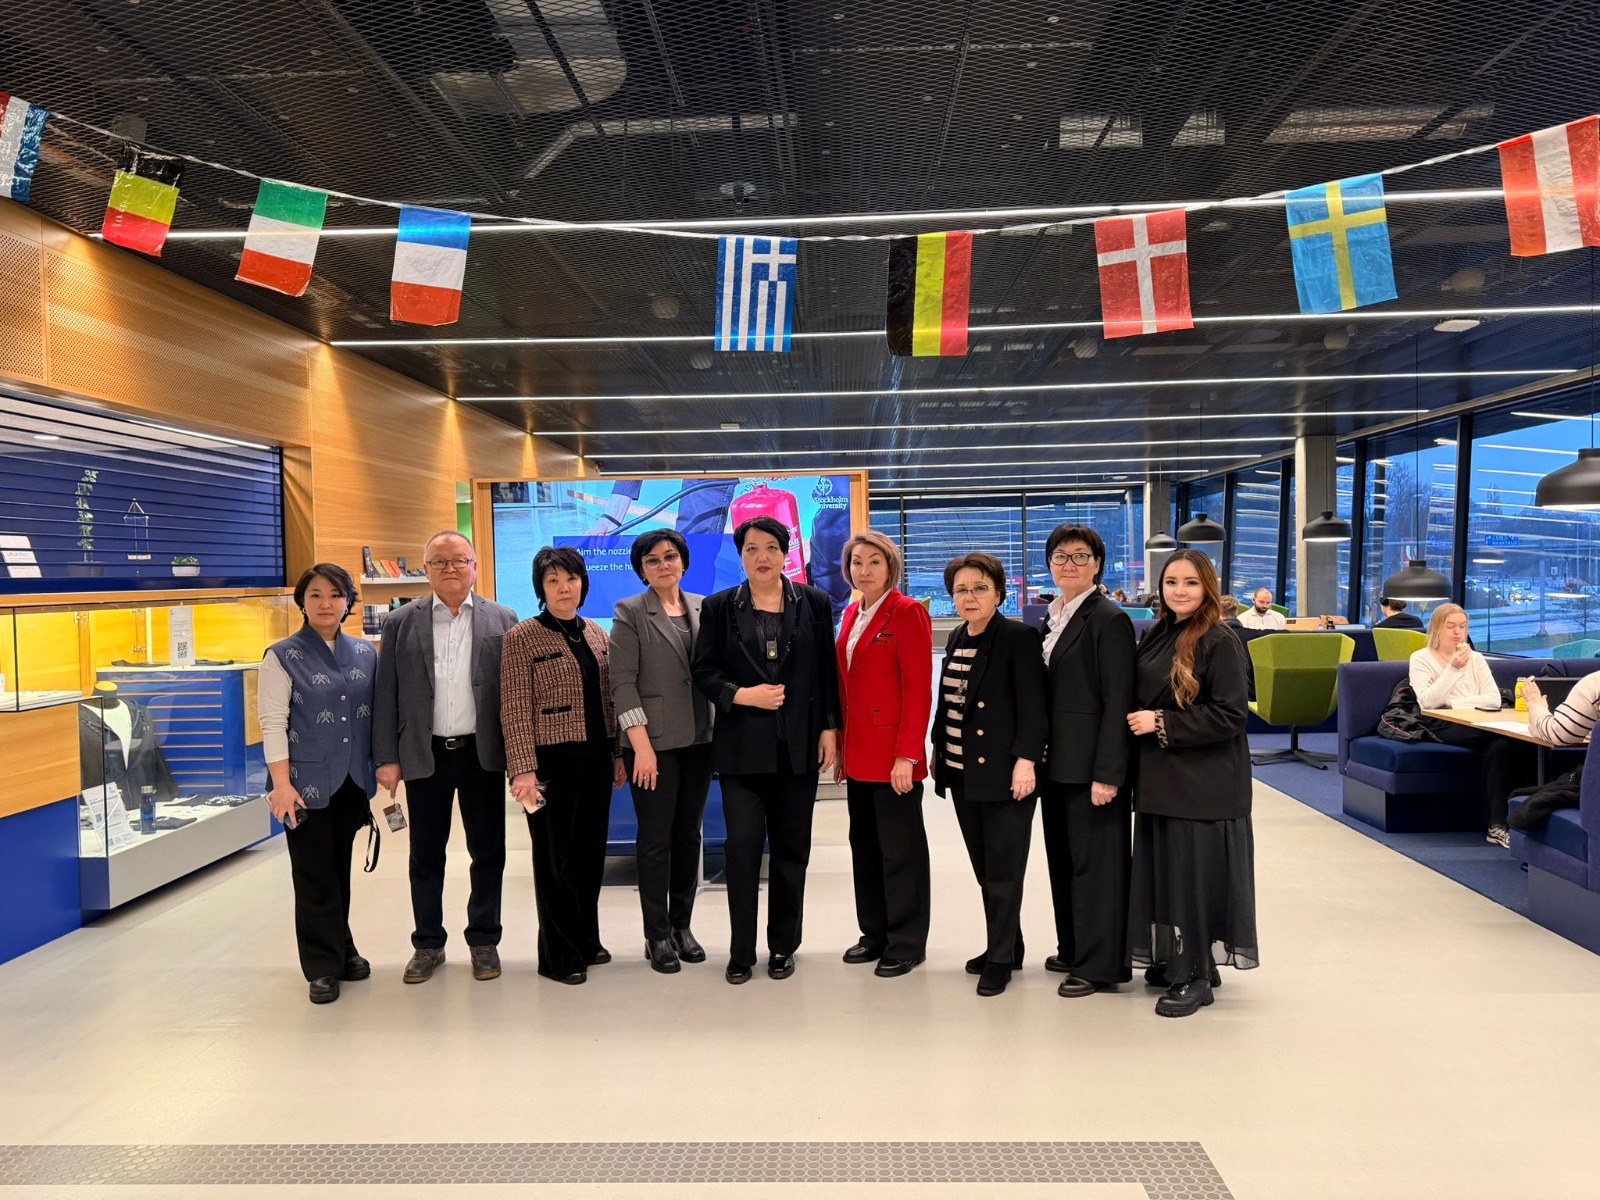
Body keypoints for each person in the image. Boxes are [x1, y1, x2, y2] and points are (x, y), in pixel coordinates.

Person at [691, 516, 841, 985]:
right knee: (742, 849)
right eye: (752, 548)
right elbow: (704, 670)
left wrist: (830, 727)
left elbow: (826, 671)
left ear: (785, 553)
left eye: (771, 548)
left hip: (798, 746)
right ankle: (741, 952)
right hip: (742, 750)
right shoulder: (719, 606)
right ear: (740, 556)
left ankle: (783, 947)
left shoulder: (814, 602)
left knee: (792, 850)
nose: (762, 557)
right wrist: (741, 695)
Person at [372, 532, 518, 986]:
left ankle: (484, 940)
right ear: (427, 569)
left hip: (482, 753)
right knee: (425, 855)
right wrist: (387, 758)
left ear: (474, 566)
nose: (450, 568)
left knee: (488, 852)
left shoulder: (503, 618)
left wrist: (520, 758)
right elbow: (386, 694)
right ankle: (428, 943)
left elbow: (514, 694)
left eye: (459, 560)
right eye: (439, 561)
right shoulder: (400, 622)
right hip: (425, 753)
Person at [1126, 549, 1258, 1018]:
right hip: (1165, 778)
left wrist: (1161, 722)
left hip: (1204, 783)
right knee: (1171, 876)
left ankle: (1197, 976)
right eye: (1171, 582)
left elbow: (1231, 714)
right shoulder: (1161, 632)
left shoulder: (1219, 639)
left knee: (1195, 878)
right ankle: (1185, 959)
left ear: (1208, 587)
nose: (1179, 591)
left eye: (1190, 583)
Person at [501, 547, 626, 985]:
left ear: (582, 583)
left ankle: (586, 940)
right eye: (553, 581)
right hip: (550, 766)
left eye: (570, 579)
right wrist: (523, 770)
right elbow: (514, 709)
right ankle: (558, 955)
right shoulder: (522, 637)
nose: (563, 588)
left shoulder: (596, 633)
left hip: (595, 761)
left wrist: (617, 754)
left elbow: (610, 702)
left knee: (589, 856)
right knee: (555, 860)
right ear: (541, 588)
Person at [930, 553, 1048, 999]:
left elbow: (1034, 707)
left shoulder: (1018, 637)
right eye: (961, 590)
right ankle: (1009, 945)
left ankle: (999, 959)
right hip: (963, 772)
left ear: (999, 593)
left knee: (1003, 873)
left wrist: (1026, 761)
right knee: (985, 869)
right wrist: (939, 749)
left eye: (980, 588)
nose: (970, 597)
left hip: (1005, 774)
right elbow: (950, 701)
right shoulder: (959, 636)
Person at [260, 564, 379, 1005]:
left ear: (348, 602)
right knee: (313, 875)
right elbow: (273, 722)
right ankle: (322, 967)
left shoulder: (365, 653)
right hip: (302, 784)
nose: (325, 603)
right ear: (302, 603)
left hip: (352, 780)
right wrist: (281, 785)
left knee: (338, 870)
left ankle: (342, 948)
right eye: (315, 595)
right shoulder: (281, 656)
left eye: (334, 594)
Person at [1038, 525, 1137, 998]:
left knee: (1096, 869)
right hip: (1057, 765)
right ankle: (1074, 947)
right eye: (1060, 556)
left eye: (1081, 556)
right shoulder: (1053, 617)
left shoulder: (1108, 619)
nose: (1069, 564)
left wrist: (1108, 774)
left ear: (1098, 564)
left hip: (1092, 769)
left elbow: (1119, 700)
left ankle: (1100, 965)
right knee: (1065, 862)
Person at [610, 529, 714, 974]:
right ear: (642, 570)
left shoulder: (703, 607)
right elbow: (622, 684)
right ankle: (656, 934)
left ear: (683, 562)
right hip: (651, 746)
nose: (663, 565)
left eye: (670, 557)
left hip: (700, 740)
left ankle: (681, 925)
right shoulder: (630, 611)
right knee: (655, 840)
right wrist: (641, 747)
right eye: (652, 560)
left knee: (689, 836)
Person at [833, 531, 934, 978]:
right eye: (857, 562)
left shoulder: (908, 612)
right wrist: (841, 745)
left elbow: (918, 690)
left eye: (875, 561)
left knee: (901, 852)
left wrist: (907, 755)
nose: (865, 570)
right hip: (858, 752)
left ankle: (907, 942)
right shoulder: (851, 613)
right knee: (866, 847)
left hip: (894, 756)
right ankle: (874, 933)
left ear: (891, 566)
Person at [1409, 604, 1526, 848]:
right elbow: (1428, 702)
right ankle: (1501, 822)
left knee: (1502, 746)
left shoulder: (1476, 658)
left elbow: (1493, 699)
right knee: (1506, 739)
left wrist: (1452, 702)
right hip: (1441, 722)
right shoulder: (1421, 658)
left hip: (1478, 721)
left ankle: (1501, 824)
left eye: (1462, 626)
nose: (1457, 632)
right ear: (1436, 628)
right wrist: (1452, 669)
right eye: (1451, 626)